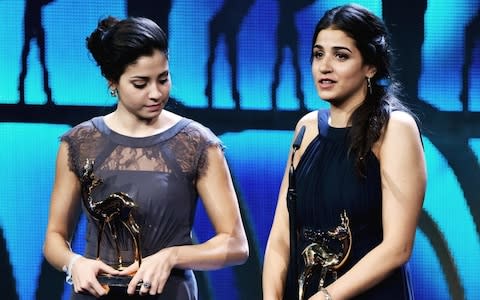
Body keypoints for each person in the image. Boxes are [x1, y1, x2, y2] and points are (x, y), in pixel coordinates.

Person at [43, 16, 249, 299]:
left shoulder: (196, 142)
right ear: (112, 81)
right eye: (141, 83)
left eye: (163, 79)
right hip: (96, 291)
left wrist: (172, 256)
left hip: (170, 291)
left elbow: (235, 244)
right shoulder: (80, 142)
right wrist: (74, 263)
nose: (156, 93)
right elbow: (55, 237)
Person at [263, 4, 426, 300]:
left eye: (341, 55)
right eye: (318, 54)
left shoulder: (395, 129)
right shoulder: (306, 128)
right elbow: (280, 238)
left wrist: (325, 298)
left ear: (370, 66)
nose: (325, 66)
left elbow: (397, 248)